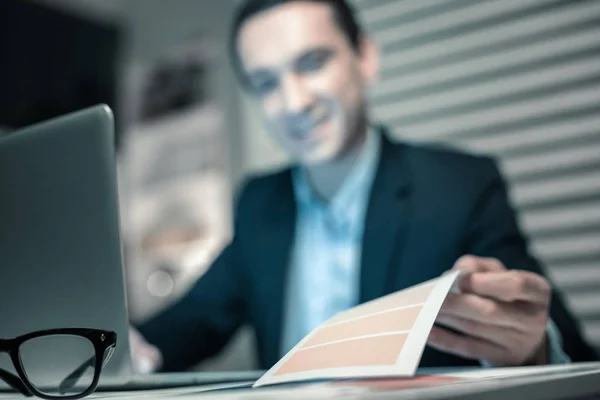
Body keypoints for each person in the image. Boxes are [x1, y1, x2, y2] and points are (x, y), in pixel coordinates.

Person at [131, 0, 598, 373]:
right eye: (266, 83)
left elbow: (569, 352)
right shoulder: (259, 202)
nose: (293, 102)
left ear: (366, 57)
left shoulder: (459, 186)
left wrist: (533, 348)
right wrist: (120, 345)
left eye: (312, 63)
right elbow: (196, 318)